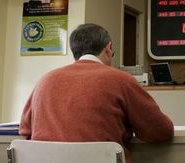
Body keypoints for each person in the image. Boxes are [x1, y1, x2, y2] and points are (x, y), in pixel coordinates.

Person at [19, 23, 174, 163]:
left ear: (75, 53)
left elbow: (25, 131)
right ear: (108, 48)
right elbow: (161, 131)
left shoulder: (45, 80)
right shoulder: (121, 79)